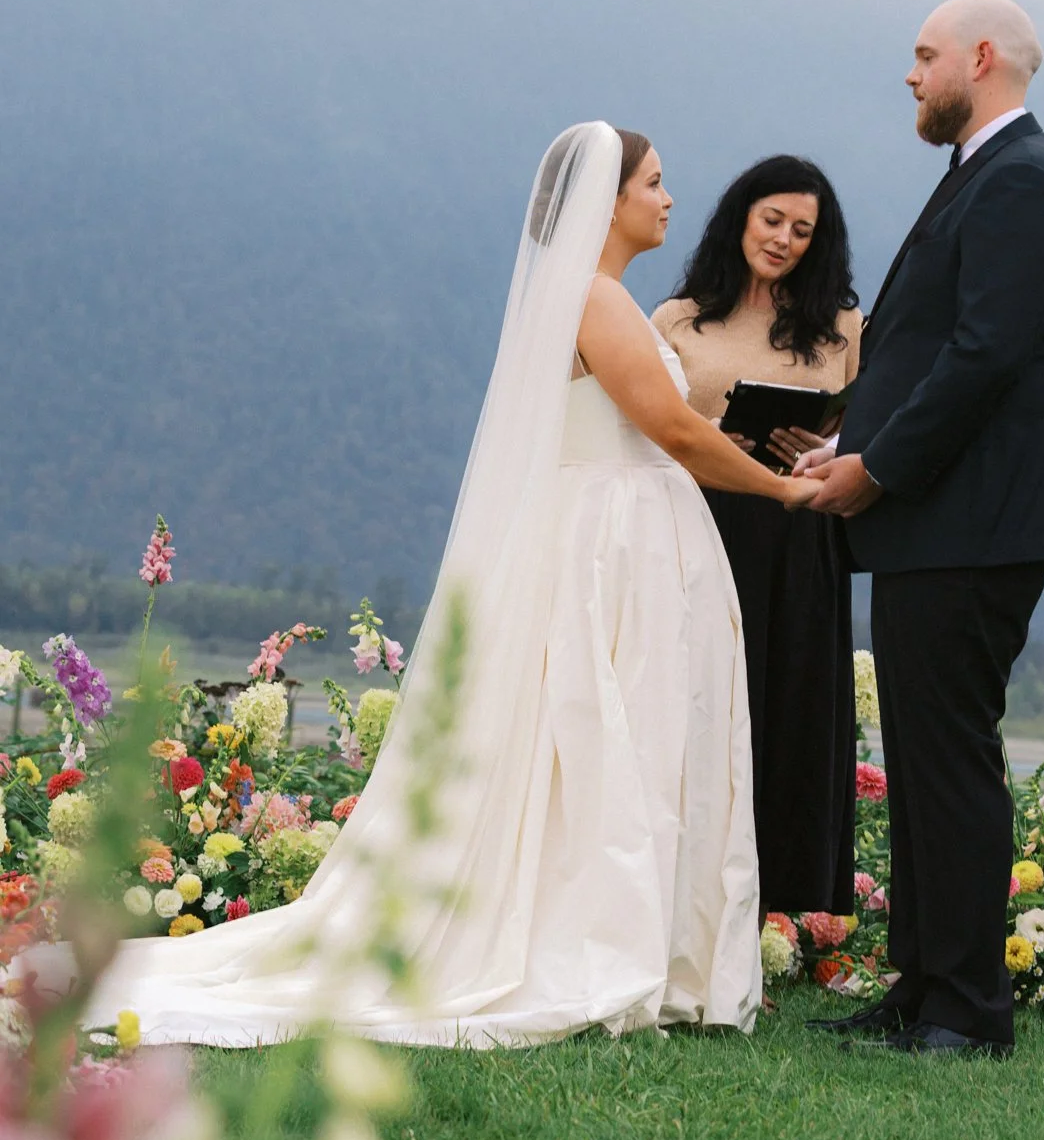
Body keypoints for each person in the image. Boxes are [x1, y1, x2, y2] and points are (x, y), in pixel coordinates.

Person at [88, 124, 817, 1048]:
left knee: (630, 737)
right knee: (611, 734)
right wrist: (784, 489)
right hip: (613, 546)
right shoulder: (594, 300)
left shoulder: (604, 300)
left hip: (630, 534)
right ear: (610, 200)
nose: (669, 200)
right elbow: (670, 429)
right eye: (655, 184)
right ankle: (604, 944)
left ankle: (647, 943)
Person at [799, 0, 1044, 1058]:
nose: (912, 74)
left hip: (974, 519)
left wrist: (877, 468)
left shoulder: (1022, 181)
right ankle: (921, 987)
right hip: (947, 516)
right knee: (926, 756)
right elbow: (931, 350)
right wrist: (858, 444)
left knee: (952, 756)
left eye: (925, 56)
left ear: (983, 57)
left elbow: (983, 358)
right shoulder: (987, 174)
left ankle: (968, 1011)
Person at [652, 157, 862, 916]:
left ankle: (785, 909)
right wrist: (713, 436)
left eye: (802, 231)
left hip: (798, 534)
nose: (783, 239)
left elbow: (862, 431)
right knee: (702, 706)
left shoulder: (842, 326)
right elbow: (647, 424)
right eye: (772, 220)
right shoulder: (677, 318)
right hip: (699, 522)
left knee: (794, 713)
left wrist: (827, 442)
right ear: (740, 216)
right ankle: (683, 897)